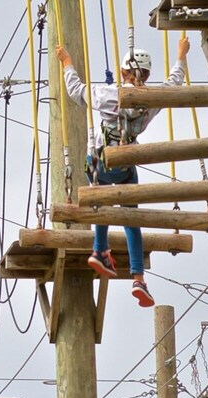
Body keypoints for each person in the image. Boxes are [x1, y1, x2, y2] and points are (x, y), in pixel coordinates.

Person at [53, 35, 192, 308]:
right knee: (131, 219)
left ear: (122, 72)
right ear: (147, 75)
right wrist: (181, 55)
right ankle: (138, 278)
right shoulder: (151, 101)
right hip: (124, 166)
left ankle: (100, 250)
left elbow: (76, 91)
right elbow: (174, 83)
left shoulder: (107, 95)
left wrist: (66, 61)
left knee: (102, 202)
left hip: (97, 163)